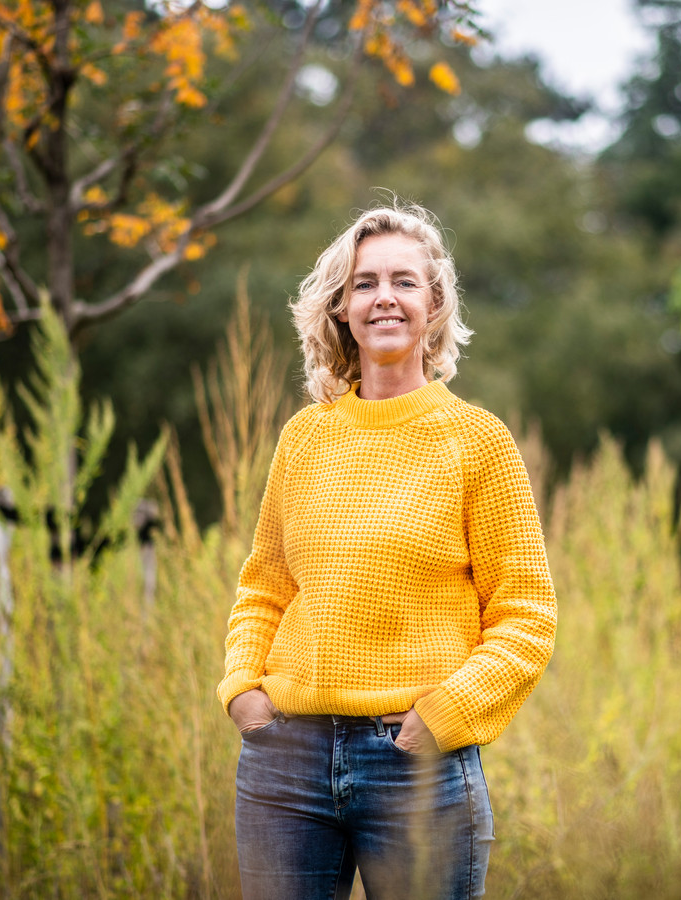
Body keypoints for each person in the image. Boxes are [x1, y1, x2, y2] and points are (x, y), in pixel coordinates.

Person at [218, 203, 557, 900]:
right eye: (365, 283)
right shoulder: (305, 438)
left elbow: (526, 617)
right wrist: (243, 693)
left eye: (405, 282)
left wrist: (442, 717)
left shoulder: (477, 442)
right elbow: (265, 586)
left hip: (416, 768)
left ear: (434, 305)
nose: (385, 299)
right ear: (341, 307)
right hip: (286, 763)